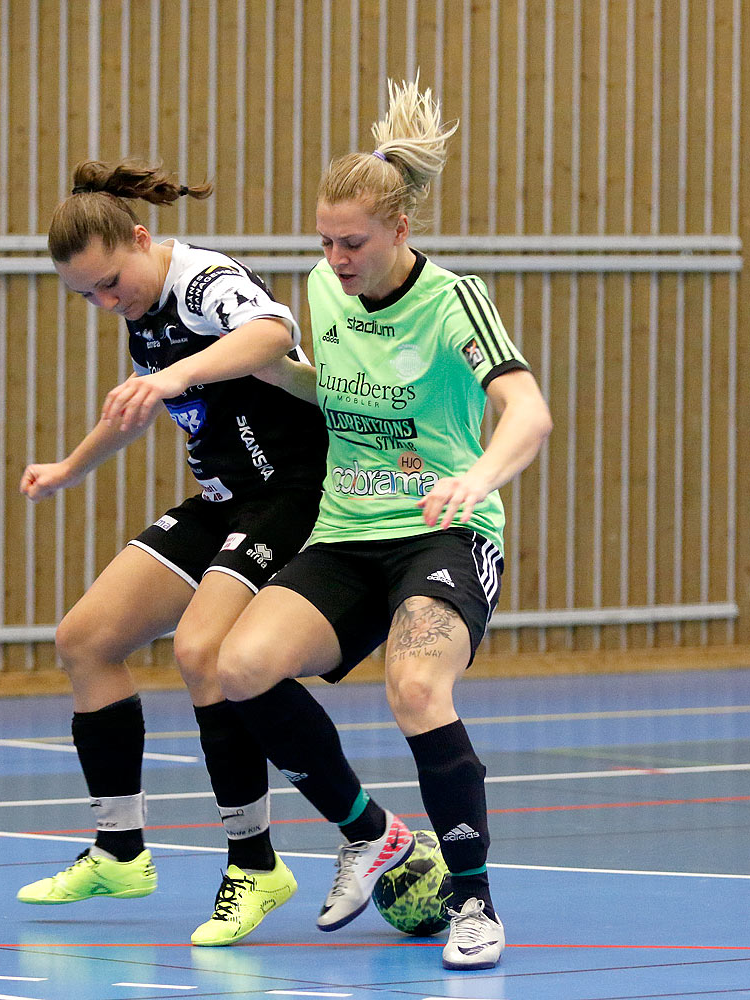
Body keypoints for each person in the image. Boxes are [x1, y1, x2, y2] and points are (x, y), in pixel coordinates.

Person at [211, 77, 553, 971]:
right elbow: (331, 386)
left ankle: (475, 904)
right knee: (238, 668)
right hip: (347, 531)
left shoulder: (454, 301)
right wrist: (258, 371)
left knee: (415, 687)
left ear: (401, 231)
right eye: (324, 241)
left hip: (447, 530)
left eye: (353, 241)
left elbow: (528, 413)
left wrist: (475, 476)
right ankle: (370, 834)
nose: (336, 256)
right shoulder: (324, 291)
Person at [15, 159, 327, 947]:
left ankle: (254, 866)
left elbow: (273, 333)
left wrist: (178, 372)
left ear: (143, 239)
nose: (103, 302)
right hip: (223, 500)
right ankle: (120, 850)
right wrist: (69, 468)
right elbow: (137, 405)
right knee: (85, 639)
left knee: (201, 651)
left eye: (110, 283)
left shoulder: (200, 282)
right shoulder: (143, 309)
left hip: (291, 494)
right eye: (85, 295)